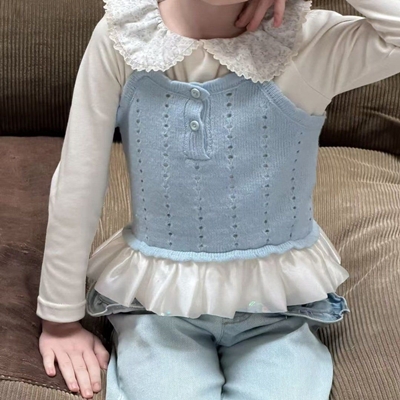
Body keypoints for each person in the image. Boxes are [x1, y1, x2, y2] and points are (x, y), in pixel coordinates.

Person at [36, 0, 400, 399]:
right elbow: (79, 179)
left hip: (276, 314)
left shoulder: (308, 41)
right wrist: (60, 319)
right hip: (159, 309)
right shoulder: (124, 37)